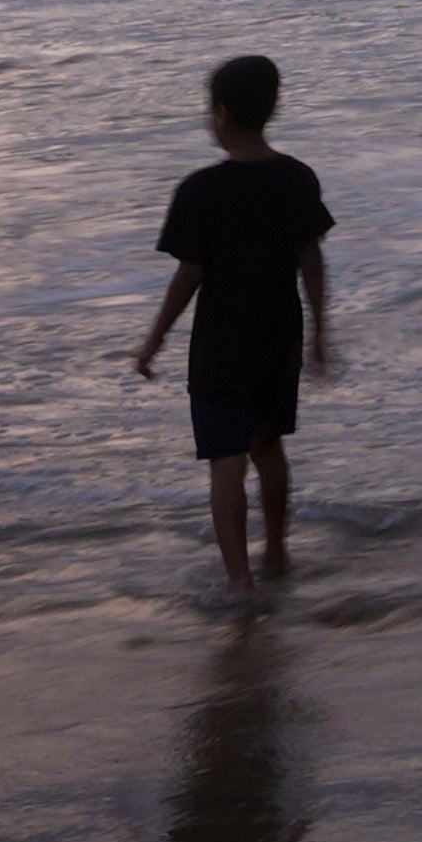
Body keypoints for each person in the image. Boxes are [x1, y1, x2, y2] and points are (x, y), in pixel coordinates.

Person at [131, 53, 336, 601]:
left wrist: (154, 338)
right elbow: (311, 259)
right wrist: (320, 331)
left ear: (220, 114)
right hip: (280, 336)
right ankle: (276, 550)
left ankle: (239, 581)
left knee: (226, 458)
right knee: (269, 445)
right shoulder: (297, 178)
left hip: (222, 343)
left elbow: (189, 274)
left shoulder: (201, 189)